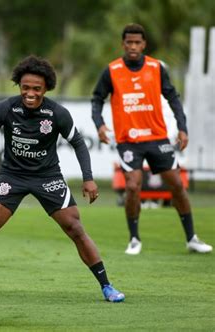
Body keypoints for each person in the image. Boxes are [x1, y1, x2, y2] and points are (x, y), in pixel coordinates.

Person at [0, 55, 125, 303]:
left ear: (45, 89)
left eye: (36, 88)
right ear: (19, 86)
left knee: (75, 228)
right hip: (12, 176)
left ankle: (107, 286)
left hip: (48, 177)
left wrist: (88, 179)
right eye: (25, 88)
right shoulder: (5, 108)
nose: (30, 93)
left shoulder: (57, 113)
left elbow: (78, 143)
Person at [91, 23, 212, 255]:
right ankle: (134, 239)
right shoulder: (112, 70)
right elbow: (97, 99)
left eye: (137, 42)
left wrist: (182, 128)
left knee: (176, 184)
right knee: (133, 186)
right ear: (123, 44)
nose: (133, 46)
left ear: (144, 44)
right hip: (129, 140)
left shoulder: (156, 68)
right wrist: (100, 125)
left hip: (157, 138)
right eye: (129, 42)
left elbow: (173, 98)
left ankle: (192, 238)